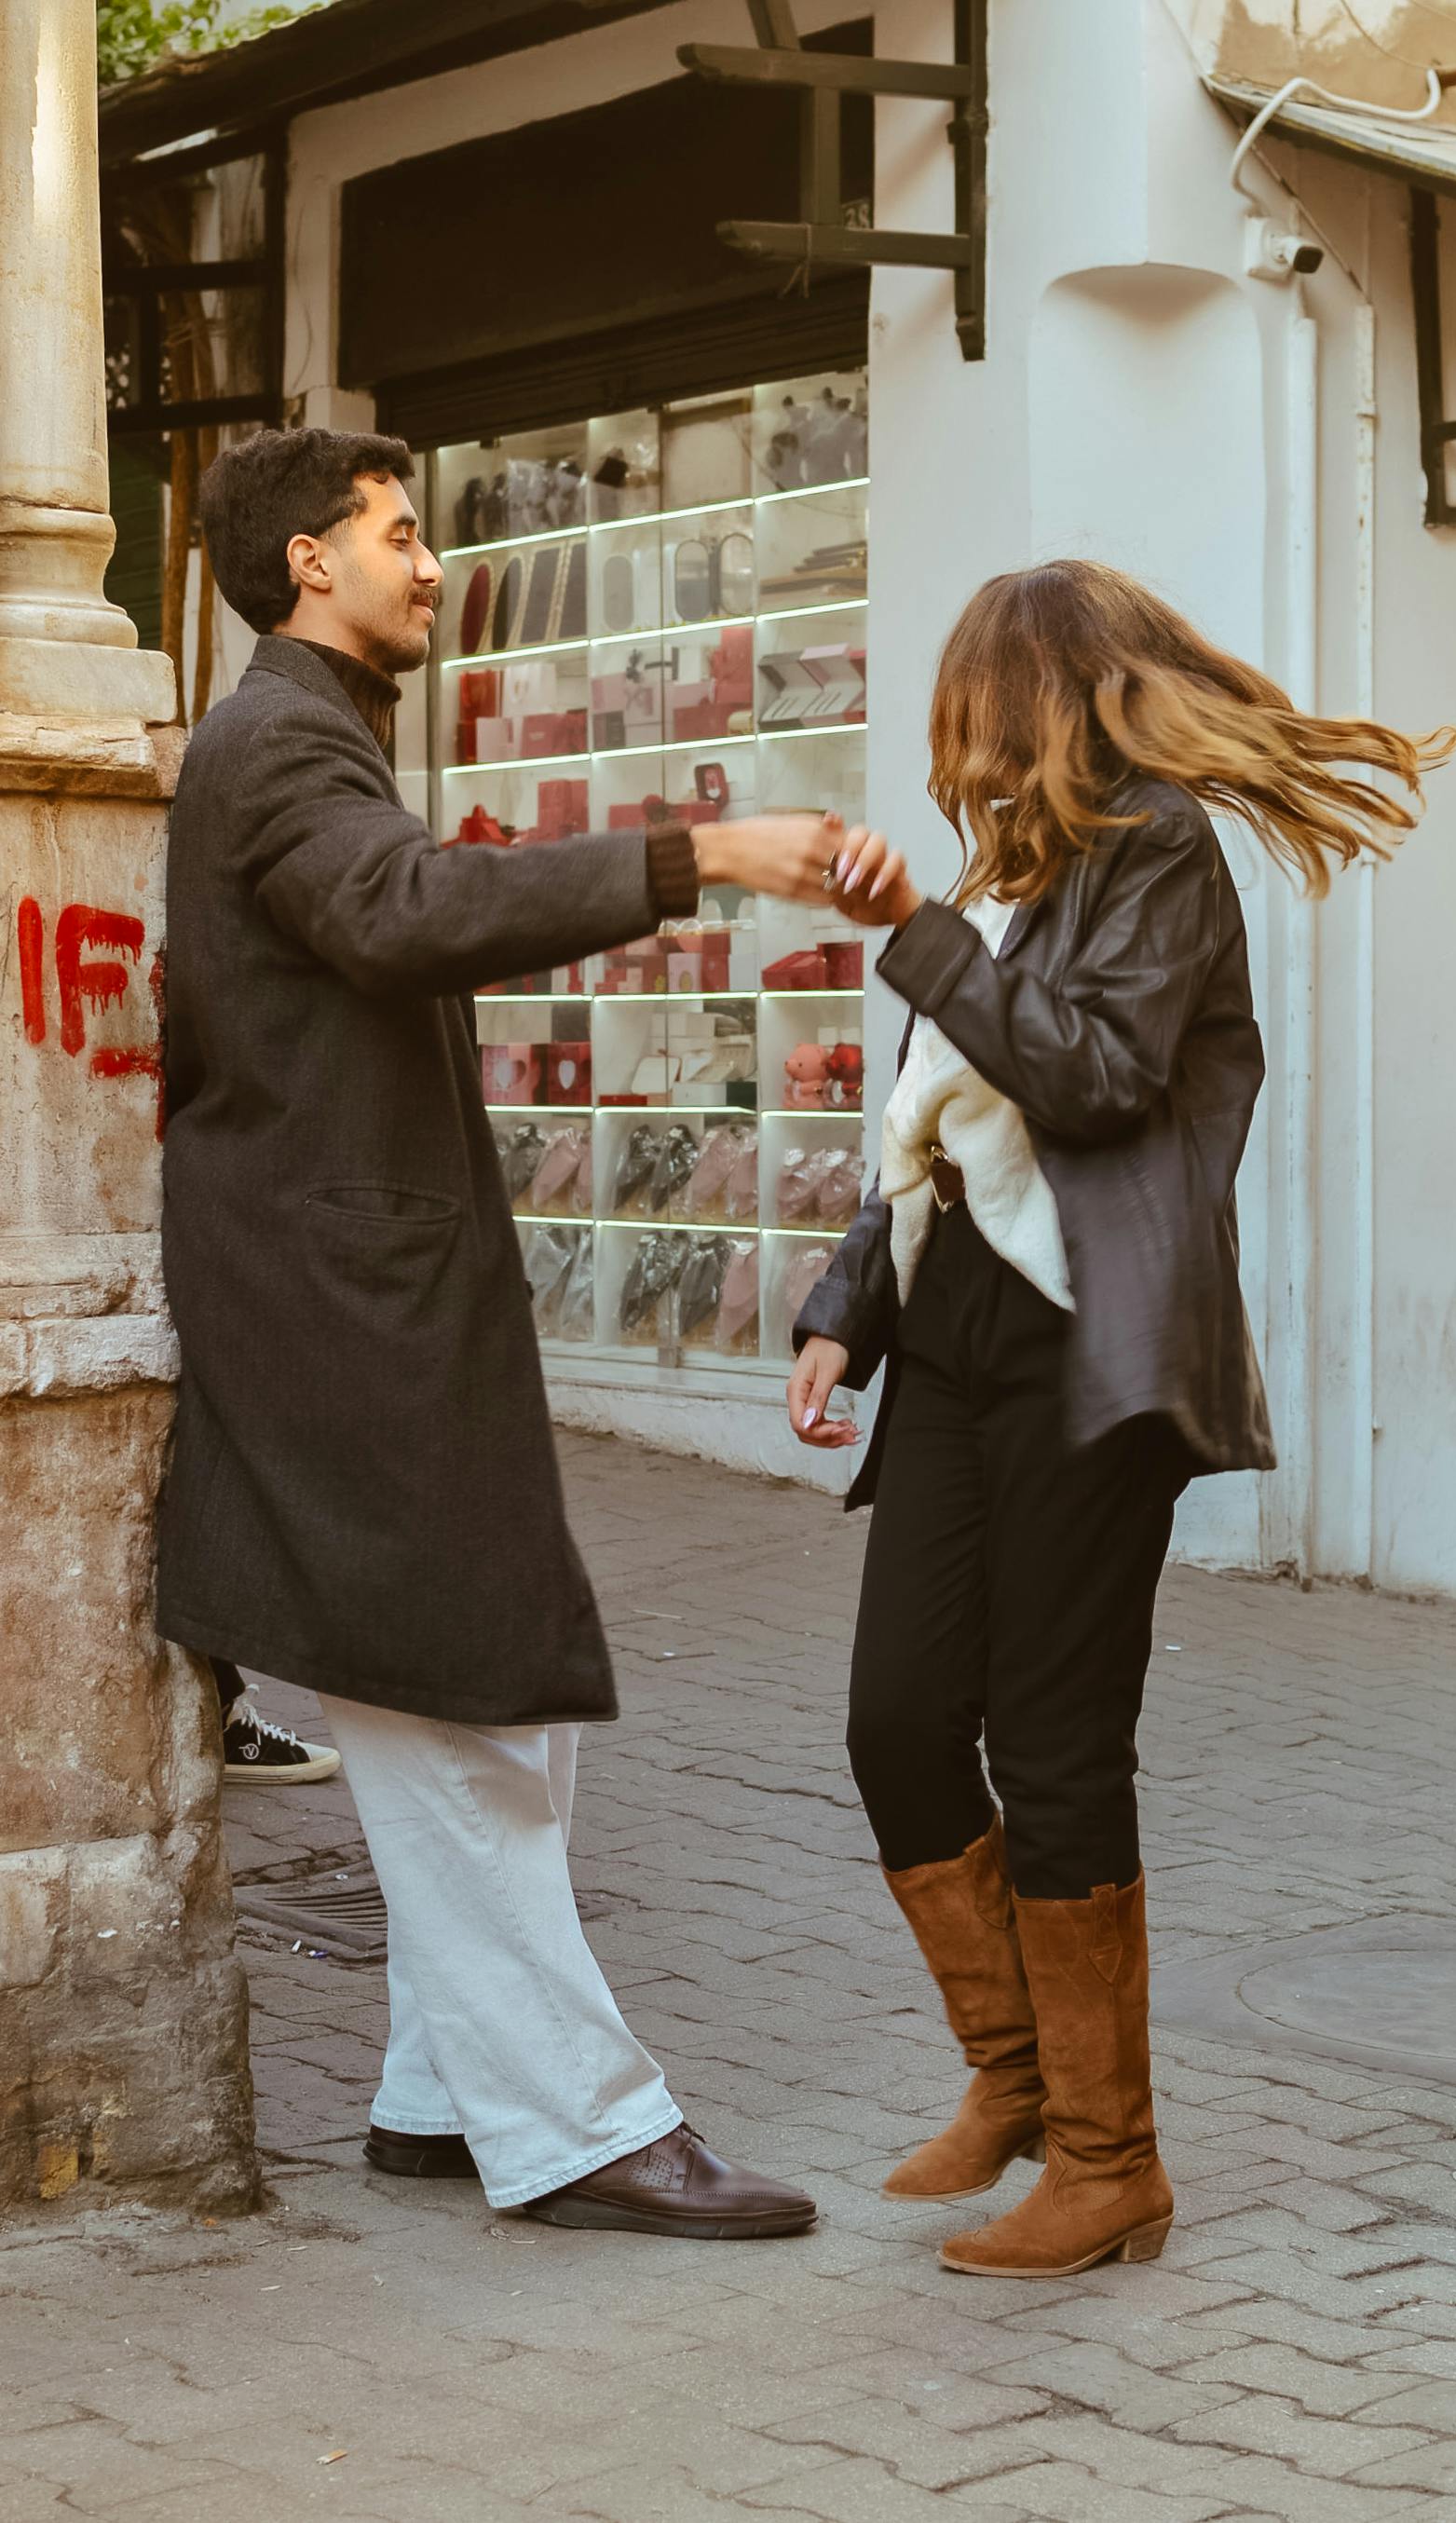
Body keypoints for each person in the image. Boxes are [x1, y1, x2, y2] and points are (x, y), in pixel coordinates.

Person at [157, 425, 855, 2241]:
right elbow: (397, 911)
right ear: (309, 562)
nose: (425, 563)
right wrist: (696, 852)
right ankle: (578, 2123)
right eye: (395, 535)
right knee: (453, 1719)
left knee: (506, 1711)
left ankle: (436, 2092)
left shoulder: (299, 733)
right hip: (337, 1319)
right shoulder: (279, 738)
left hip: (361, 1304)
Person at [787, 560, 1453, 2279]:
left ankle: (1111, 2163)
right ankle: (1013, 2082)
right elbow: (933, 1132)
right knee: (899, 1721)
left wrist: (919, 941)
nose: (957, 762)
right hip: (954, 1353)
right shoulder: (1015, 880)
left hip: (1095, 1360)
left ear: (1037, 704)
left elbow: (1085, 1080)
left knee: (1054, 1744)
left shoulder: (1158, 851)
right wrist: (845, 1316)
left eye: (970, 722)